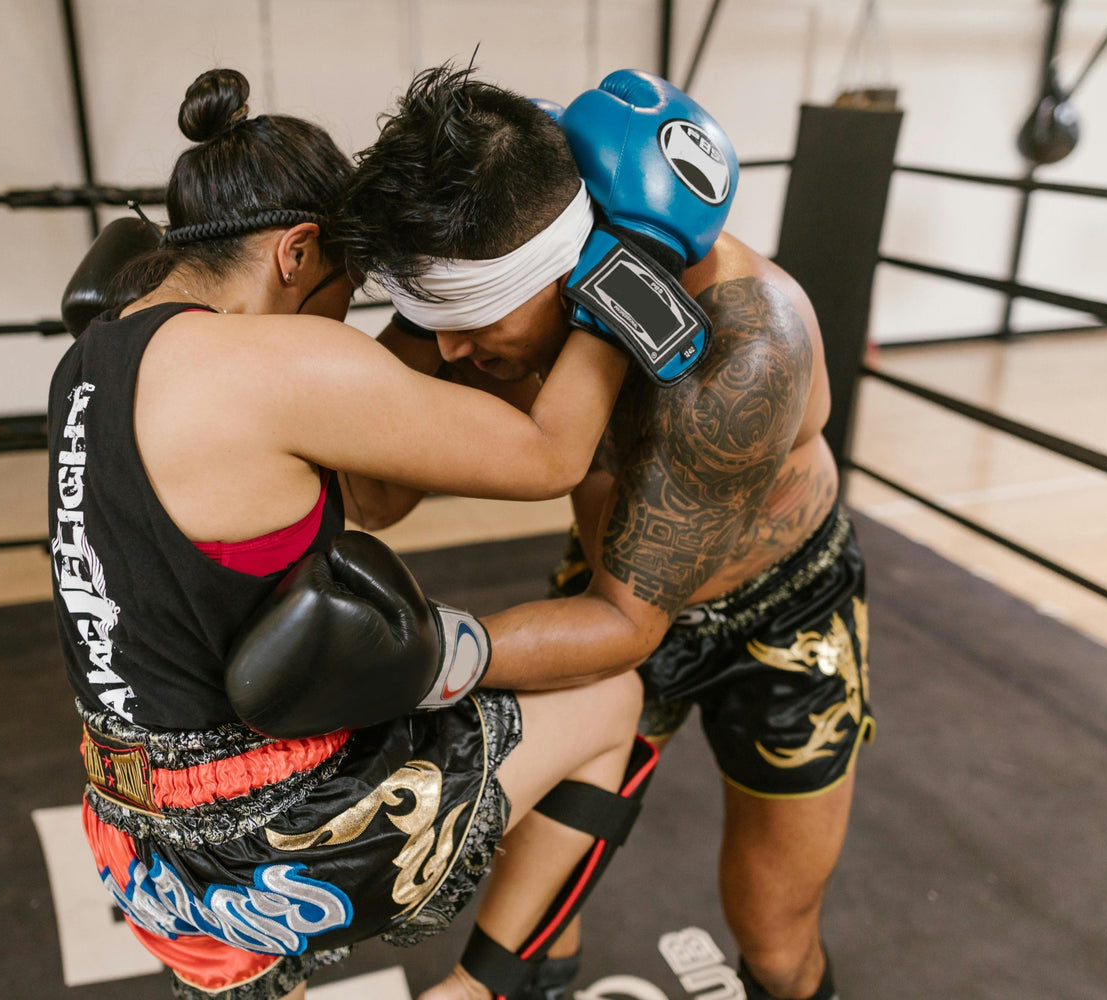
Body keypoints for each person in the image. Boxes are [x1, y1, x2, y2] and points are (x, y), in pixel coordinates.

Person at [48, 67, 650, 1000]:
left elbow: (364, 499)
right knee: (613, 697)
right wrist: (631, 269)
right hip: (272, 843)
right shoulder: (276, 360)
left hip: (132, 848)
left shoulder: (90, 358)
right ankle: (481, 990)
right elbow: (548, 456)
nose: (352, 315)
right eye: (352, 282)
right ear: (296, 252)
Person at [339, 66, 872, 1000]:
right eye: (437, 321)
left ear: (571, 264)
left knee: (778, 936)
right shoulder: (497, 291)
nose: (454, 351)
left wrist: (402, 658)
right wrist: (428, 320)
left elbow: (633, 625)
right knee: (530, 927)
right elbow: (376, 499)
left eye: (470, 322)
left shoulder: (746, 344)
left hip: (779, 615)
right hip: (606, 582)